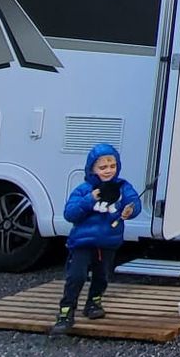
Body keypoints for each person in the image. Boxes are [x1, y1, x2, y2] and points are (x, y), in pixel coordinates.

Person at [51, 142, 140, 335]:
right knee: (76, 276)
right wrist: (90, 200)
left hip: (108, 242)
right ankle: (66, 311)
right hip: (82, 243)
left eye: (112, 166)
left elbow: (134, 202)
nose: (108, 171)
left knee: (102, 276)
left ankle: (94, 302)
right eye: (103, 167)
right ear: (92, 169)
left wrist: (130, 210)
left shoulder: (122, 187)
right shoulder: (84, 190)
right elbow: (70, 213)